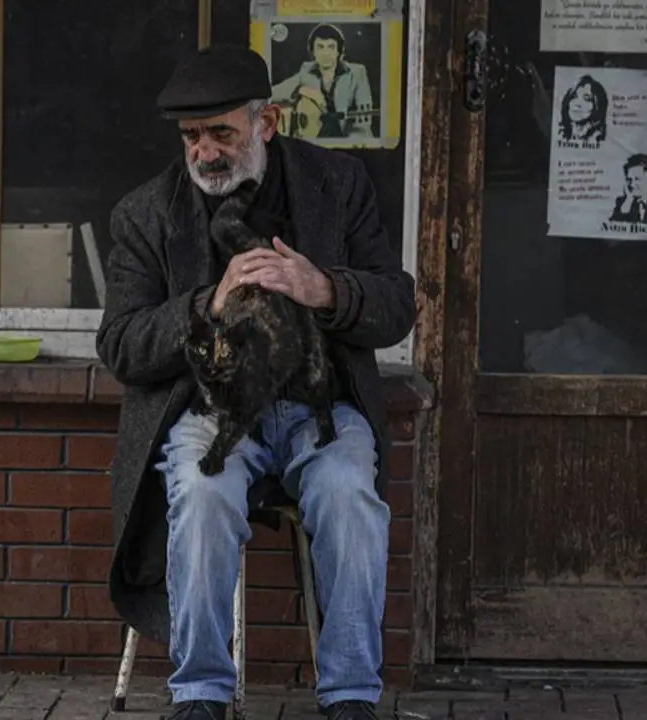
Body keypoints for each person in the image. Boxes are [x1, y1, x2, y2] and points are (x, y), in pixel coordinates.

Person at [96, 45, 417, 720]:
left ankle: (352, 695)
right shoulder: (144, 214)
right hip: (211, 410)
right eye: (191, 137)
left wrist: (324, 287)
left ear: (267, 122)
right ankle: (201, 694)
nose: (205, 153)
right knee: (201, 491)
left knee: (350, 492)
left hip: (319, 408)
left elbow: (396, 304)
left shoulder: (340, 185)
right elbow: (121, 346)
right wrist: (205, 304)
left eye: (222, 133)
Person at [270, 23, 376, 139]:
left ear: (339, 51)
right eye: (320, 47)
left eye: (331, 47)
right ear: (313, 52)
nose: (326, 53)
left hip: (346, 141)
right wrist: (299, 89)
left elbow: (362, 126)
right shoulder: (306, 71)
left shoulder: (356, 73)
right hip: (315, 142)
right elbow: (272, 93)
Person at [609, 153, 647, 225]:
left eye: (637, 179)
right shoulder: (622, 202)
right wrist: (628, 202)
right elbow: (611, 230)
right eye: (629, 180)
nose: (632, 184)